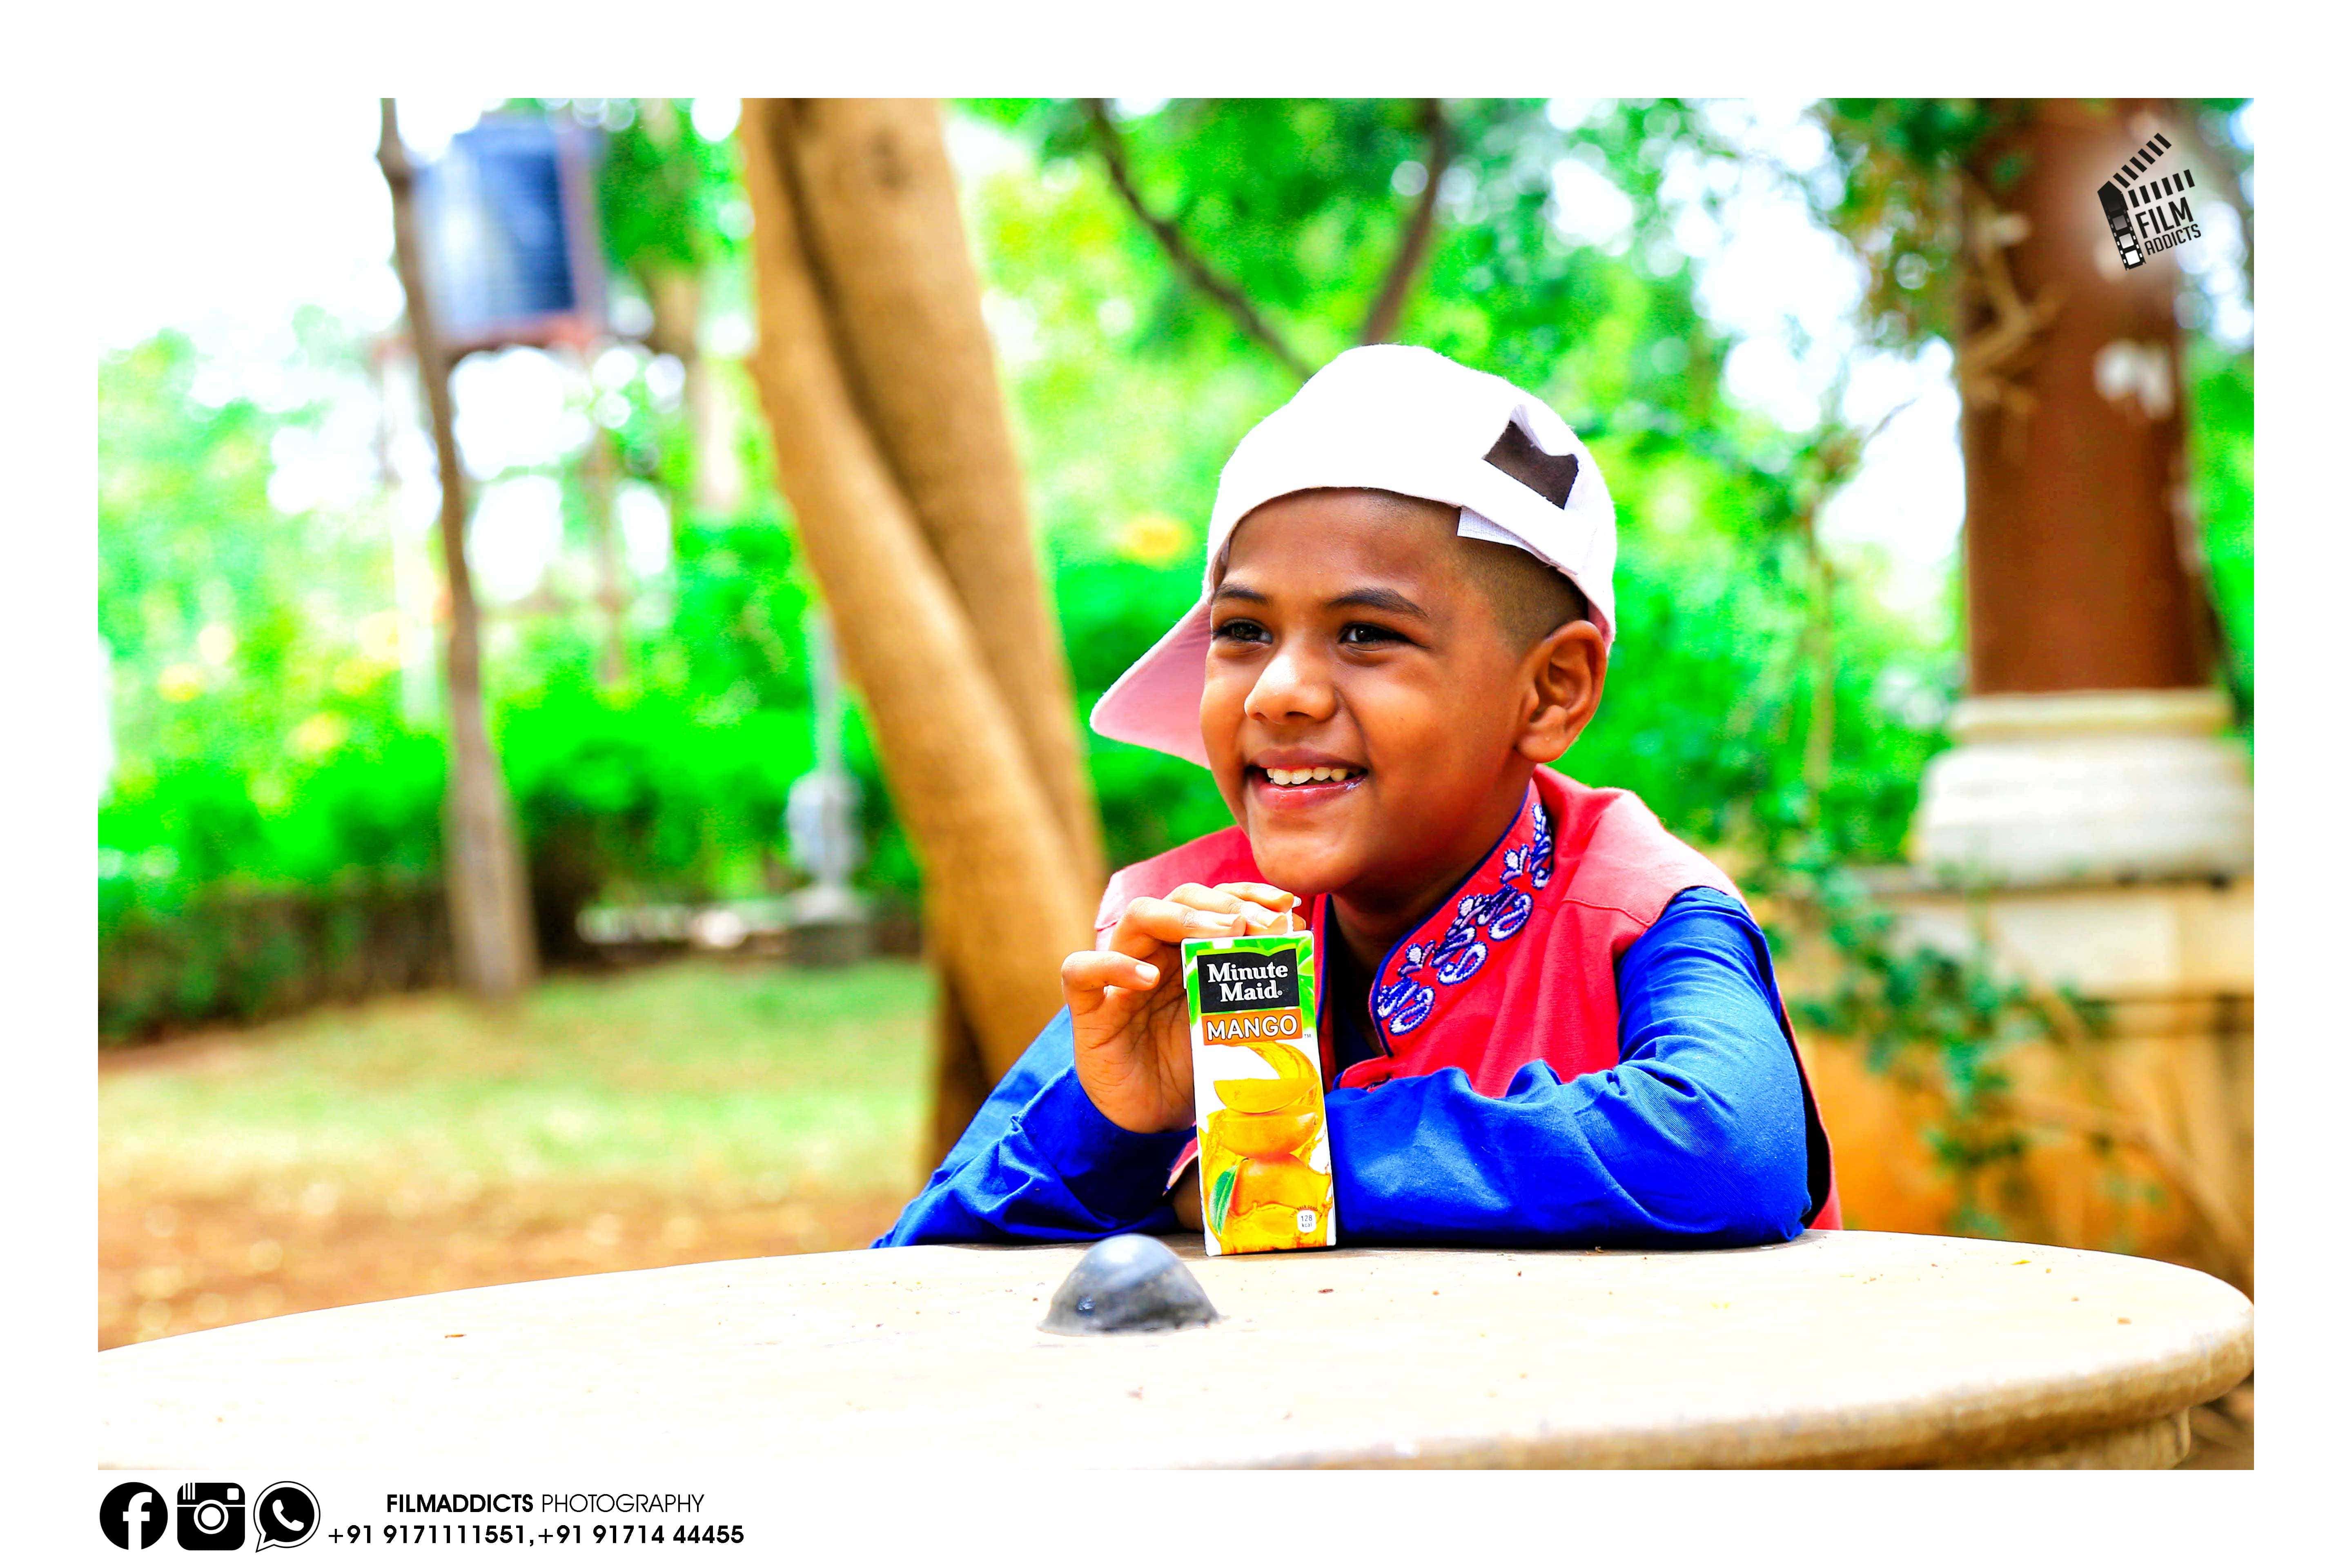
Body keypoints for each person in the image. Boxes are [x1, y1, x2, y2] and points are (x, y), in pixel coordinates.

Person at [876, 345, 1838, 1250]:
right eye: (1243, 631)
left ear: (1551, 691)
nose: (1277, 691)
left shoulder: (1641, 909)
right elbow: (916, 1263)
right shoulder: (1193, 932)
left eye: (1367, 635)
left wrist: (1285, 1153)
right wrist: (1117, 1124)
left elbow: (1729, 1148)